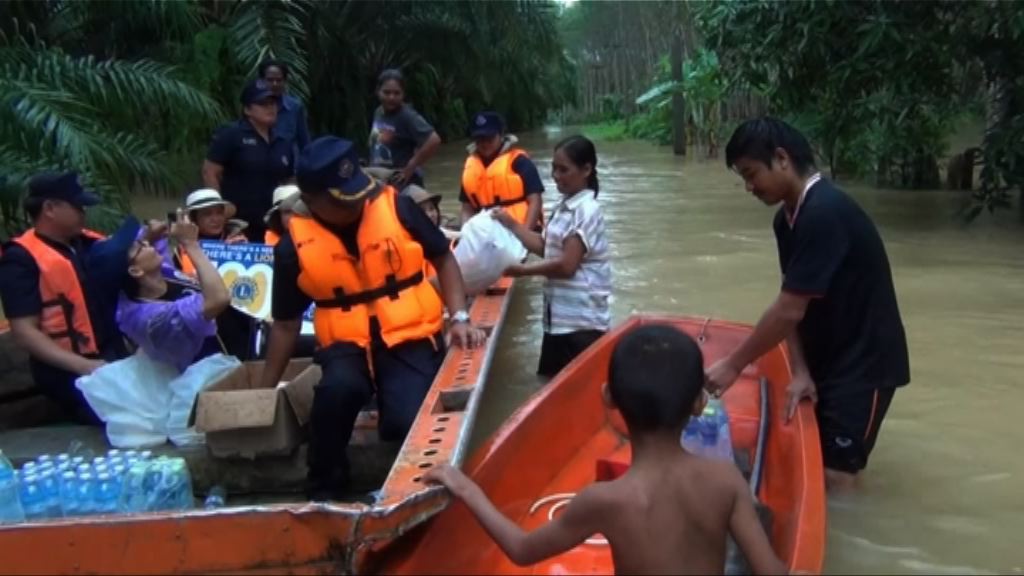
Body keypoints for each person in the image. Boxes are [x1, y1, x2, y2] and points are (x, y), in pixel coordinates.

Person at [425, 324, 786, 576]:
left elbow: (521, 550)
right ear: (698, 402)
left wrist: (466, 487)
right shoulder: (724, 479)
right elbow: (771, 572)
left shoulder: (604, 500)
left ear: (608, 397)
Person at [260, 136, 486, 499]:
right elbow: (285, 325)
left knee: (407, 418)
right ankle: (326, 493)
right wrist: (265, 390)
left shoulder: (397, 207)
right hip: (346, 344)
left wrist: (459, 317)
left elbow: (444, 257)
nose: (359, 204)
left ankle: (411, 487)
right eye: (343, 199)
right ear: (313, 199)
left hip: (409, 334)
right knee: (336, 396)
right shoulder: (292, 249)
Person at [705, 117, 910, 491]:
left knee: (838, 474)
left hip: (865, 364)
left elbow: (787, 310)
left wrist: (734, 364)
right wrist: (799, 370)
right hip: (829, 356)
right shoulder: (787, 221)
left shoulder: (824, 212)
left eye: (752, 174)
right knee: (819, 460)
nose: (750, 187)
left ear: (781, 158)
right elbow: (794, 299)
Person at [0, 172, 130, 424]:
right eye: (78, 206)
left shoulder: (85, 244)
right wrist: (82, 366)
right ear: (49, 208)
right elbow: (24, 331)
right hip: (69, 372)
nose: (84, 213)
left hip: (110, 357)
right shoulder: (20, 259)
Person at [495, 135, 611, 378]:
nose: (556, 176)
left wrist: (523, 271)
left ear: (586, 169)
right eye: (553, 168)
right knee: (548, 385)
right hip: (557, 320)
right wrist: (511, 224)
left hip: (581, 323)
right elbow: (547, 248)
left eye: (563, 169)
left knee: (572, 393)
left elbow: (567, 265)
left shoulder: (586, 210)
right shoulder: (564, 206)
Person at [110, 210, 231, 373]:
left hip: (229, 351)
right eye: (140, 247)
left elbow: (151, 238)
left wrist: (152, 232)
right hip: (205, 380)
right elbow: (218, 299)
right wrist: (191, 245)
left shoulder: (161, 273)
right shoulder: (154, 319)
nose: (146, 244)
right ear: (135, 271)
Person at [202, 78, 295, 242]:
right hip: (239, 224)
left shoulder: (283, 141)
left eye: (273, 103)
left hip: (273, 224)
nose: (270, 108)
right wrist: (219, 211)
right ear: (247, 109)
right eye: (263, 103)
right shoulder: (231, 135)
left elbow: (288, 181)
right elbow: (210, 172)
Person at [460, 111, 544, 231]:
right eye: (479, 139)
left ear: (501, 135)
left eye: (490, 138)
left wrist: (526, 236)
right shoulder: (471, 167)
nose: (485, 143)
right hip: (486, 233)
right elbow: (467, 208)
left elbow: (535, 200)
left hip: (521, 229)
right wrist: (466, 234)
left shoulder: (520, 161)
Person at [367, 69, 441, 188]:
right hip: (381, 181)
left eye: (397, 93)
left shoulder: (407, 116)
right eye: (386, 92)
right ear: (377, 91)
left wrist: (410, 167)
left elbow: (434, 140)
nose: (391, 97)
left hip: (402, 183)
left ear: (403, 94)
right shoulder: (378, 112)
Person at [258, 59, 311, 159]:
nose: (274, 84)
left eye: (279, 80)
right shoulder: (253, 107)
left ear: (285, 81)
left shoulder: (295, 107)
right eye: (270, 80)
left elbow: (304, 141)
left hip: (289, 168)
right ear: (261, 81)